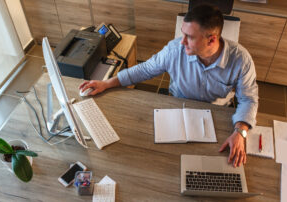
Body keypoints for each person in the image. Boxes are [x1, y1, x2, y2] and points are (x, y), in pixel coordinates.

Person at [79, 4, 258, 168]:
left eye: (189, 37)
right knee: (164, 162)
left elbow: (248, 99)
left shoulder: (241, 60)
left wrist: (240, 131)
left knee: (214, 165)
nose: (182, 42)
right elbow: (145, 69)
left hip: (216, 114)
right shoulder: (174, 50)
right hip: (177, 108)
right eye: (183, 34)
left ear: (211, 40)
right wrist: (107, 83)